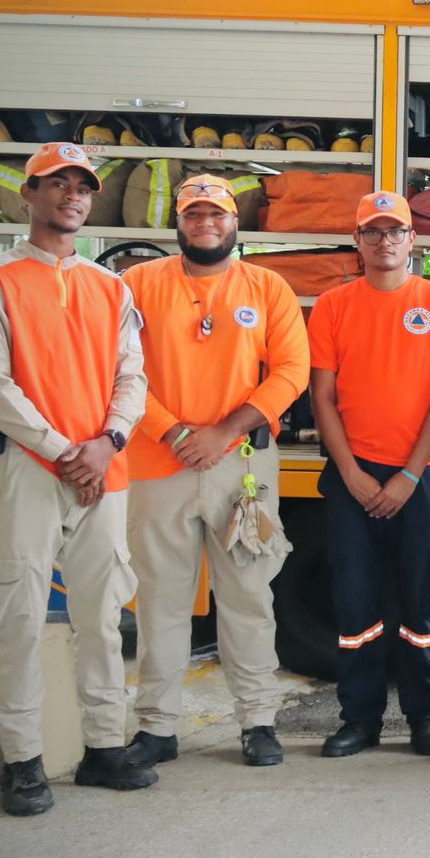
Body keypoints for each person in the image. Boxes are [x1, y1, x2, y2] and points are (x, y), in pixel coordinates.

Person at [0, 142, 154, 815]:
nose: (72, 195)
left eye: (82, 187)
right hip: (29, 471)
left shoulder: (112, 287)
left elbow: (134, 376)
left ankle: (104, 747)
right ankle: (23, 762)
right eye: (57, 184)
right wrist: (63, 450)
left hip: (105, 468)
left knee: (101, 617)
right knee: (19, 615)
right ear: (29, 196)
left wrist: (107, 443)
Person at [121, 174, 308, 769]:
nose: (207, 222)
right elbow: (119, 370)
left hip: (242, 469)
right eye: (195, 213)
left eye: (218, 213)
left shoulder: (268, 287)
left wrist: (222, 433)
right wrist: (173, 433)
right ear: (178, 222)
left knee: (250, 597)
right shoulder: (137, 285)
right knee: (160, 602)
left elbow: (291, 371)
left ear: (235, 223)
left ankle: (256, 722)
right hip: (157, 464)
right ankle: (156, 728)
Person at [309, 191, 430, 758]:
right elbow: (322, 396)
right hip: (352, 476)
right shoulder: (333, 306)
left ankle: (425, 717)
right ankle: (360, 720)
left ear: (412, 239)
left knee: (422, 604)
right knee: (356, 606)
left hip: (416, 478)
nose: (384, 242)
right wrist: (350, 473)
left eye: (394, 231)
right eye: (372, 232)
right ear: (357, 242)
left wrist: (405, 475)